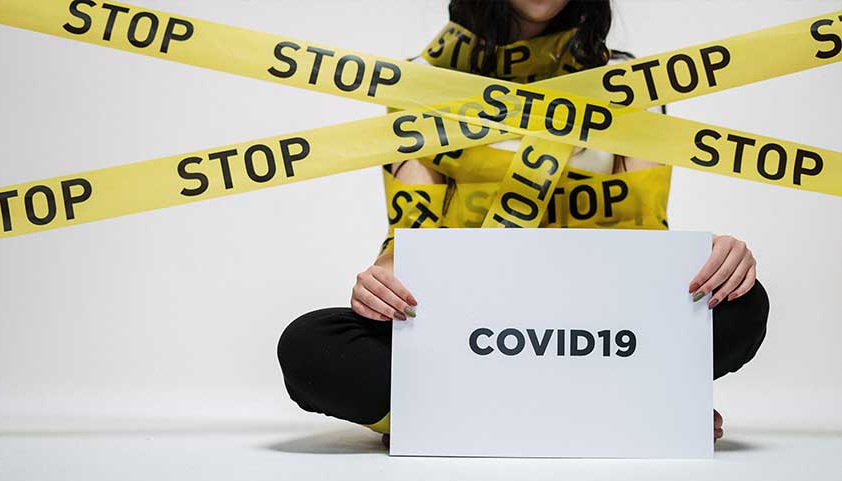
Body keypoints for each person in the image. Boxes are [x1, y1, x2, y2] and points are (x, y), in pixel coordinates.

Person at [277, 0, 770, 447]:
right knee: (311, 347)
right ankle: (609, 411)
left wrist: (712, 256)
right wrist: (381, 279)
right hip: (467, 332)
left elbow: (646, 238)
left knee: (743, 305)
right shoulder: (420, 85)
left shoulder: (630, 83)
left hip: (595, 332)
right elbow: (411, 234)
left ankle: (462, 415)